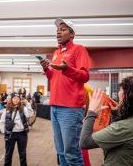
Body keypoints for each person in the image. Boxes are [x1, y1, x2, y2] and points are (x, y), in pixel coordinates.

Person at [39, 18, 90, 165]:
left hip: (70, 109)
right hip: (54, 107)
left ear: (72, 34)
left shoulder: (79, 49)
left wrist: (67, 69)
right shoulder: (56, 53)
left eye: (63, 29)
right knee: (61, 153)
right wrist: (46, 69)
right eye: (57, 30)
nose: (58, 32)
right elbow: (53, 77)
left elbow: (85, 76)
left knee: (72, 154)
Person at [80, 76, 133, 165]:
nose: (118, 95)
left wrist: (91, 112)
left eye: (121, 92)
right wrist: (115, 113)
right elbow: (119, 137)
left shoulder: (125, 127)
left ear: (127, 98)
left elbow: (85, 142)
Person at [0, 93, 34, 166]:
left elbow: (31, 114)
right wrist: (4, 132)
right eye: (14, 98)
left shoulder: (23, 108)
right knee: (8, 153)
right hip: (10, 134)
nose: (16, 100)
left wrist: (27, 103)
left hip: (22, 134)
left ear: (20, 100)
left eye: (17, 98)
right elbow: (2, 122)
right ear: (11, 99)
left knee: (22, 153)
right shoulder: (7, 109)